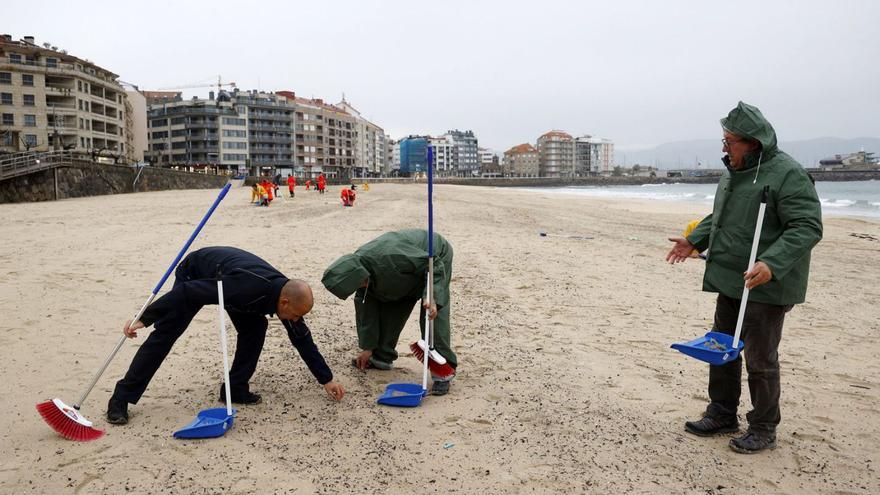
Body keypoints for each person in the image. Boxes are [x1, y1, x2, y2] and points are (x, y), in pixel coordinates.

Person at [666, 102, 822, 454]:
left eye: (731, 141)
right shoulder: (734, 171)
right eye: (724, 140)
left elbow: (808, 226)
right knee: (722, 346)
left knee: (760, 358)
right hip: (731, 278)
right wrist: (694, 240)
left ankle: (764, 427)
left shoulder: (787, 174)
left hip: (766, 284)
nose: (724, 148)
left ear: (754, 142)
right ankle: (722, 413)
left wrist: (772, 262)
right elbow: (721, 216)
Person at [106, 246, 346, 425]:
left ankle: (234, 389)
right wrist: (146, 318)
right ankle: (120, 399)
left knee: (254, 328)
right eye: (295, 315)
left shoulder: (286, 296)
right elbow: (188, 292)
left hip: (233, 284)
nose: (296, 320)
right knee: (167, 334)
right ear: (284, 302)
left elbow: (301, 339)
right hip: (197, 274)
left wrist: (326, 379)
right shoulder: (246, 288)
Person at [321, 229, 457, 395]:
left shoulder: (391, 257)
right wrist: (368, 347)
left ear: (360, 275)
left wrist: (433, 296)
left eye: (361, 285)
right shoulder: (357, 271)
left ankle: (443, 372)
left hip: (433, 257)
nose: (361, 288)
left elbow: (434, 265)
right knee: (392, 303)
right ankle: (381, 356)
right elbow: (365, 307)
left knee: (432, 315)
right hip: (401, 273)